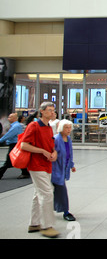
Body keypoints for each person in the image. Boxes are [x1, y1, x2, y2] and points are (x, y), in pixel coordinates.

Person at [21, 102, 59, 238]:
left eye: (53, 110)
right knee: (47, 193)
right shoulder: (34, 126)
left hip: (46, 164)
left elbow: (50, 144)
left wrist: (54, 152)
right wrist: (42, 151)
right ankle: (47, 226)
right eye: (49, 110)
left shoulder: (49, 127)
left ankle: (34, 223)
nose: (52, 113)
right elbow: (24, 145)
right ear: (41, 111)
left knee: (39, 194)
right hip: (36, 165)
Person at [52, 119, 76, 221]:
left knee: (58, 190)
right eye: (66, 127)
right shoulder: (56, 139)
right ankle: (65, 211)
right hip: (56, 169)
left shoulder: (68, 139)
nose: (68, 129)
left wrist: (71, 165)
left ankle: (60, 209)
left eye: (70, 127)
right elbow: (53, 154)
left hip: (64, 168)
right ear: (61, 128)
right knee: (61, 190)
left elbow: (69, 153)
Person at [0, 113, 29, 179]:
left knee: (9, 160)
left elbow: (8, 135)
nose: (8, 118)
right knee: (17, 158)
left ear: (14, 118)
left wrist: (1, 140)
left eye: (10, 117)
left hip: (15, 145)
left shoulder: (16, 126)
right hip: (14, 144)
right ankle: (25, 172)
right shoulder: (15, 126)